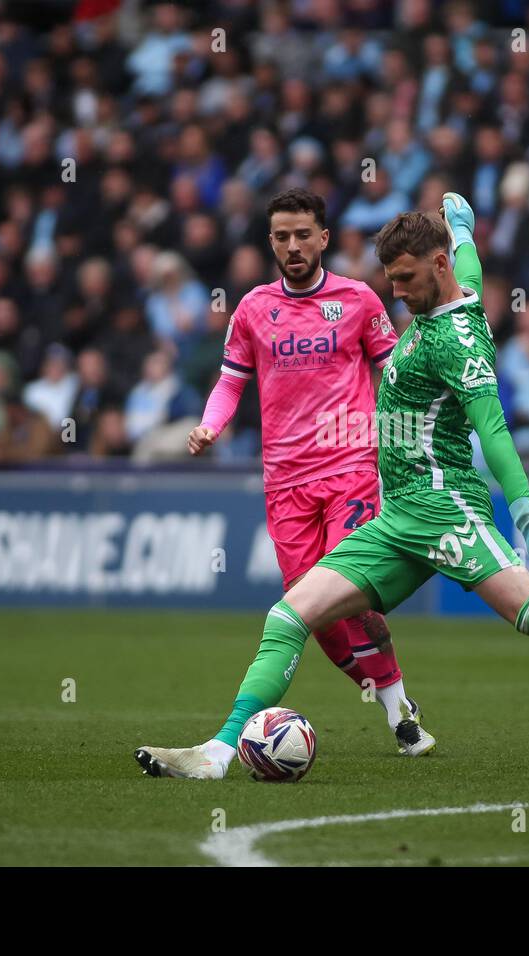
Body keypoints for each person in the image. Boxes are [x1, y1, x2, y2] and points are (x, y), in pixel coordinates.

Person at [135, 194, 529, 779]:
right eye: (390, 279)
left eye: (406, 278)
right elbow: (466, 261)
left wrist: (526, 513)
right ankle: (218, 753)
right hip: (396, 514)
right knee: (288, 614)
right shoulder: (450, 292)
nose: (396, 292)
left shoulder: (457, 343)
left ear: (433, 267)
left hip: (445, 509)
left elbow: (493, 429)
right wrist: (462, 226)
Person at [181, 188, 431, 756]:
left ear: (323, 238)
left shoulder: (360, 300)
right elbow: (230, 382)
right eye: (281, 237)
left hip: (351, 470)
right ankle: (397, 699)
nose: (292, 247)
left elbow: (392, 372)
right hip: (286, 484)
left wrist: (406, 435)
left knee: (354, 595)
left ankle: (398, 717)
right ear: (271, 242)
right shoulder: (253, 310)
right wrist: (210, 426)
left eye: (302, 235)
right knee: (313, 616)